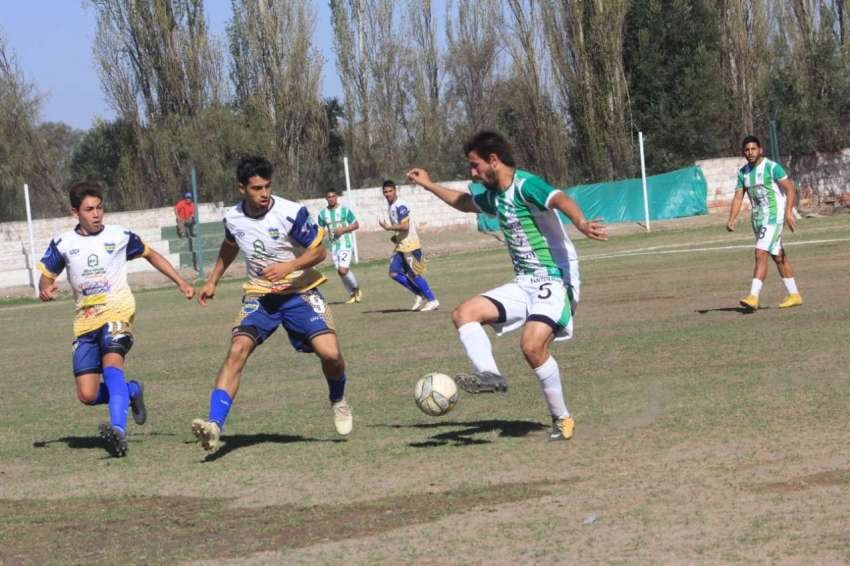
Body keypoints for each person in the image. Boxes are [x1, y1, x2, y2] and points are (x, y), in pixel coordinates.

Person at [406, 131, 607, 441]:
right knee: (463, 313)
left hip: (555, 280)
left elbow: (560, 198)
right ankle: (489, 375)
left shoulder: (526, 185)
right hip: (524, 283)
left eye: (475, 166)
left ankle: (562, 418)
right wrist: (429, 184)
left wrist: (580, 223)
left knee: (531, 346)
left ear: (494, 160)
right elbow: (463, 201)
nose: (472, 173)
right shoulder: (495, 194)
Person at [191, 156, 354, 453]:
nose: (264, 193)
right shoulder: (233, 218)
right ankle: (215, 424)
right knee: (237, 350)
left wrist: (288, 266)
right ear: (242, 188)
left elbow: (319, 253)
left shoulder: (291, 212)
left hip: (300, 291)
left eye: (267, 187)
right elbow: (230, 245)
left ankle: (338, 399)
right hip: (260, 295)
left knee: (330, 355)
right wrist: (213, 279)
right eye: (256, 188)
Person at [38, 181, 195, 457]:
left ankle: (119, 431)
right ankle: (132, 390)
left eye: (99, 208)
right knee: (87, 395)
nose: (96, 214)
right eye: (89, 209)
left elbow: (151, 254)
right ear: (75, 212)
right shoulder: (63, 243)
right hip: (84, 321)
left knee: (112, 365)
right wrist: (44, 288)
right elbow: (46, 274)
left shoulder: (120, 235)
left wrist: (180, 281)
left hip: (117, 311)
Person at [726, 135, 802, 310]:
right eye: (747, 150)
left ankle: (753, 296)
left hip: (773, 217)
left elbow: (789, 188)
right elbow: (738, 197)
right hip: (758, 220)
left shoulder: (772, 167)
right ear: (743, 153)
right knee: (778, 256)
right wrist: (732, 218)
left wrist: (788, 212)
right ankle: (794, 295)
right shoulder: (743, 173)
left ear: (760, 150)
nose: (750, 152)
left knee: (760, 252)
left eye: (753, 149)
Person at [379, 180, 439, 311]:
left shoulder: (400, 205)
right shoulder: (391, 205)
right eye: (385, 192)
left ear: (395, 191)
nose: (388, 194)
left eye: (390, 191)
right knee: (394, 273)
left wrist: (389, 228)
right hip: (401, 245)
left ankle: (432, 300)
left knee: (414, 274)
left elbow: (405, 226)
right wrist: (396, 236)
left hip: (411, 245)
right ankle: (419, 293)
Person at [317, 189, 362, 303]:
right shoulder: (322, 214)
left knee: (343, 270)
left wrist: (343, 229)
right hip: (334, 246)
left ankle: (356, 288)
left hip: (346, 244)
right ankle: (352, 294)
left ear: (336, 197)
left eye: (333, 196)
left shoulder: (345, 210)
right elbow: (321, 230)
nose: (331, 198)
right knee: (340, 272)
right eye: (329, 197)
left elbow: (356, 225)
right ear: (326, 199)